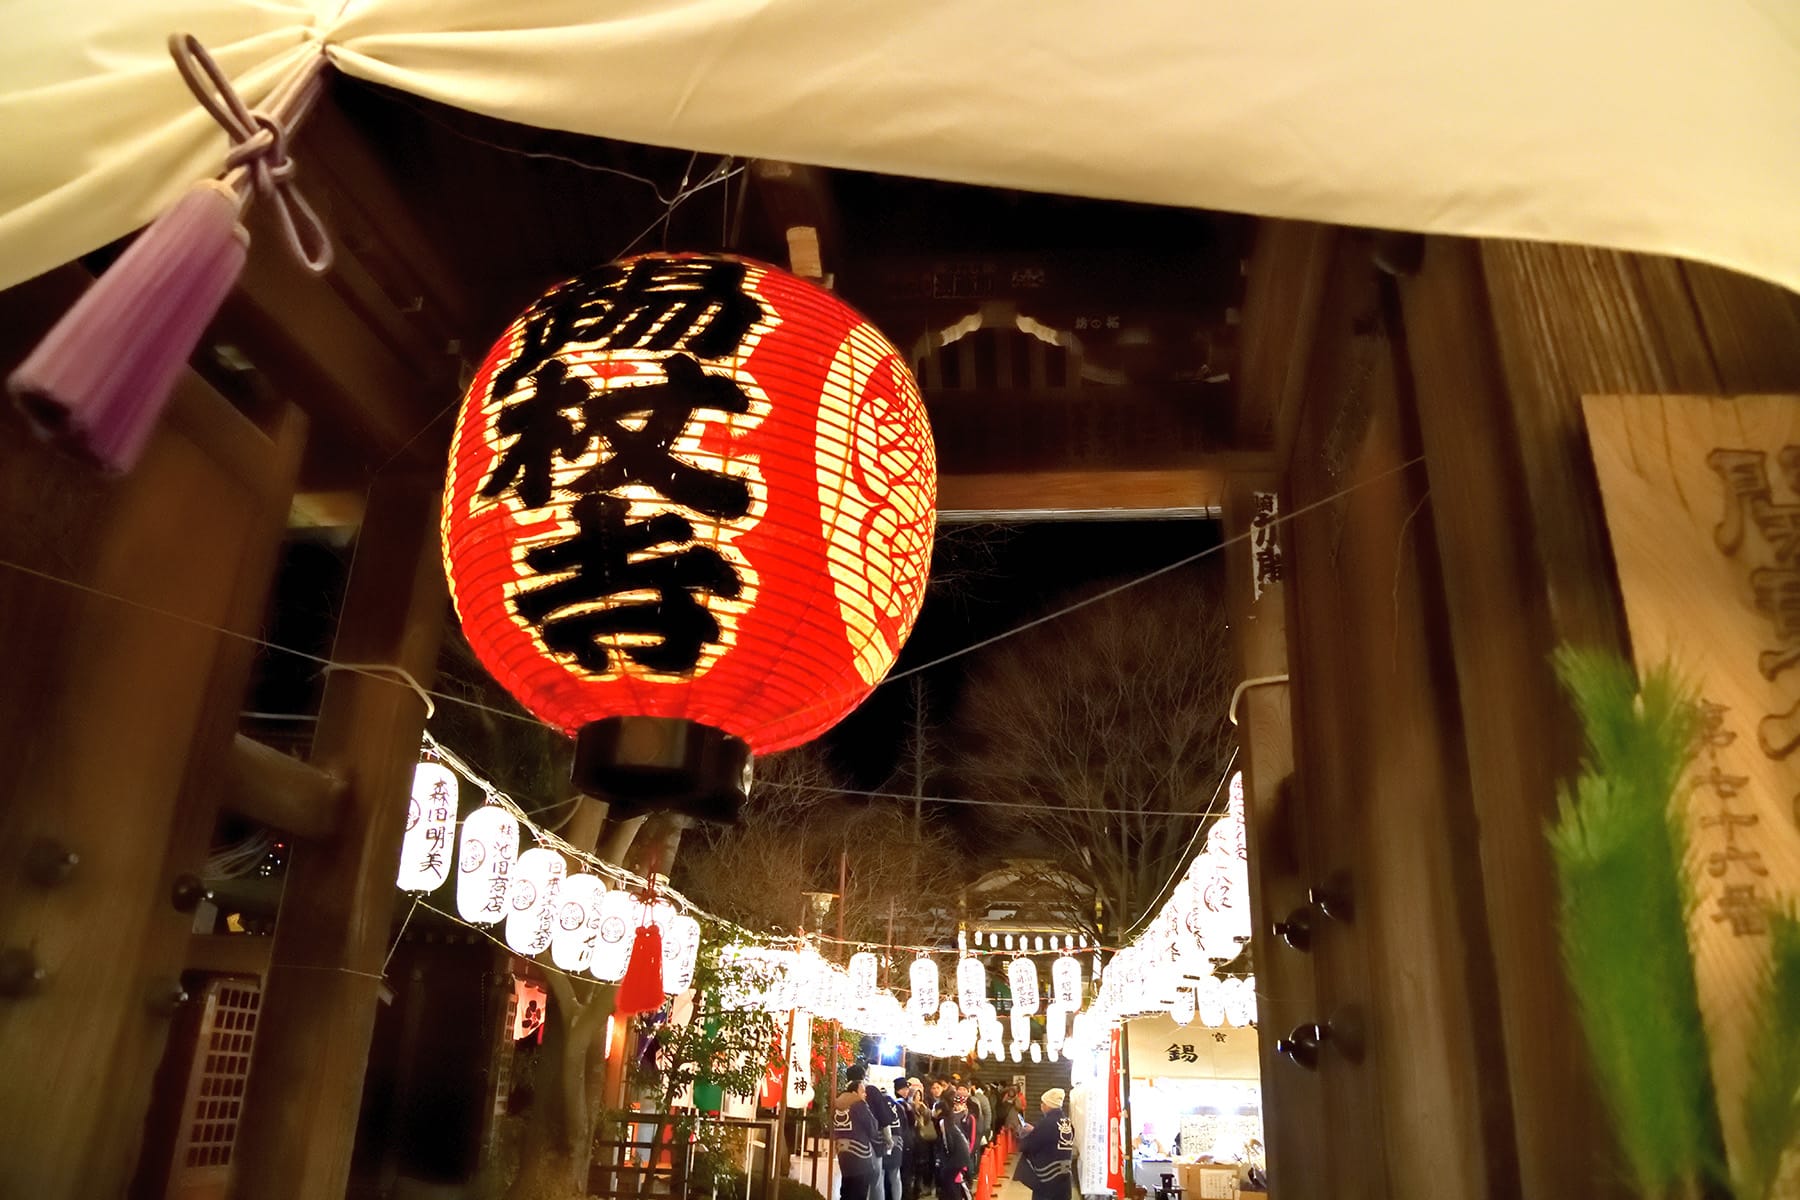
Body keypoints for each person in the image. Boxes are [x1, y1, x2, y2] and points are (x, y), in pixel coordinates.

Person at [1015, 1089, 1076, 1200]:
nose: (1041, 1105)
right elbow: (1054, 1139)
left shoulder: (1047, 1123)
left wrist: (1028, 1134)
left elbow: (1028, 1145)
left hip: (1048, 1181)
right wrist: (1035, 1130)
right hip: (1065, 1180)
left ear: (1049, 1104)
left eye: (1043, 1103)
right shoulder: (1067, 1122)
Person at [833, 1066, 881, 1200]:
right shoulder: (859, 1104)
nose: (865, 1095)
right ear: (854, 1092)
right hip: (861, 1157)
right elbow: (873, 1127)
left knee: (846, 1192)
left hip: (843, 1155)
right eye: (863, 1091)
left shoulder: (837, 1103)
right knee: (859, 1193)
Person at [864, 1075, 904, 1200]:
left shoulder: (866, 1106)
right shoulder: (894, 1105)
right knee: (893, 1175)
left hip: (874, 1144)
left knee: (878, 1176)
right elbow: (902, 1123)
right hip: (893, 1140)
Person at [936, 1086, 977, 1200]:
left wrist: (968, 1152)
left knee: (962, 1182)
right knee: (953, 1183)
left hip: (962, 1154)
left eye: (960, 1104)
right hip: (954, 1156)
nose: (958, 1106)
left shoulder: (969, 1117)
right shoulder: (951, 1117)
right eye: (956, 1104)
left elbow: (972, 1137)